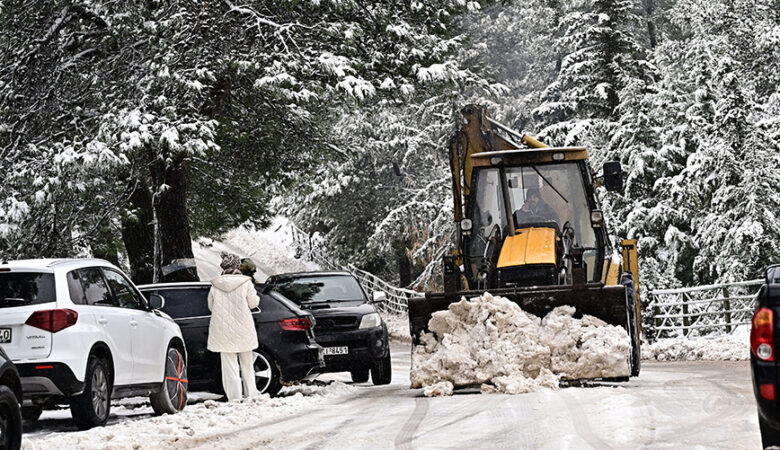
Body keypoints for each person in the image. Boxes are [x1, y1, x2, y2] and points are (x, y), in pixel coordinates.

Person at [208, 252, 261, 401]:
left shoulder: (215, 285)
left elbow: (211, 306)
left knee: (229, 366)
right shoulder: (246, 283)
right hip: (243, 327)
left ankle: (234, 397)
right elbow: (253, 303)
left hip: (222, 329)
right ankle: (251, 394)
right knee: (247, 364)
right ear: (238, 266)